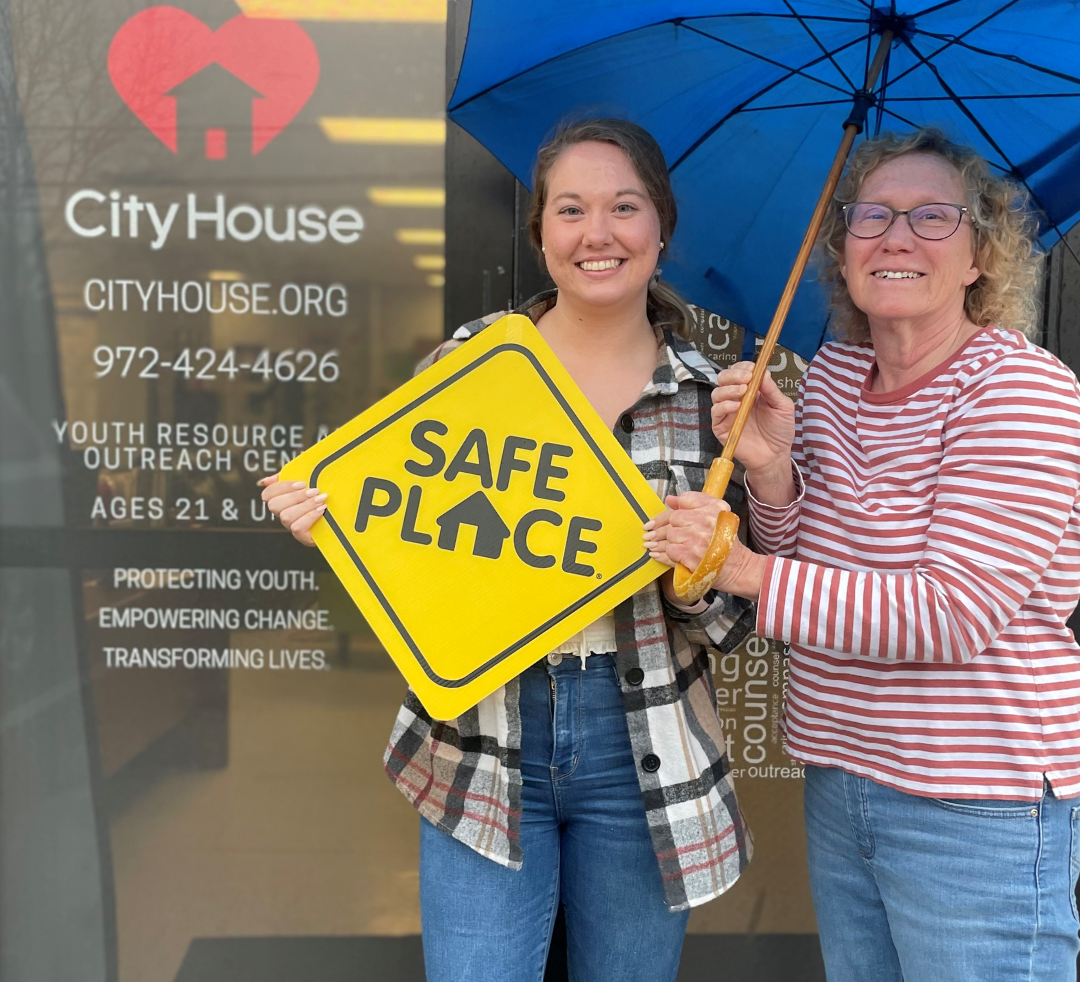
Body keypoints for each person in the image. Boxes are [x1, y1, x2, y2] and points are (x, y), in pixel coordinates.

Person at [260, 119, 754, 981]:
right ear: (541, 236)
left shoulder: (711, 404)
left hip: (641, 748)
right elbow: (411, 531)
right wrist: (335, 525)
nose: (596, 233)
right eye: (571, 209)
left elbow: (730, 626)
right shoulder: (474, 361)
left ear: (661, 229)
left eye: (624, 207)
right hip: (482, 737)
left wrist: (692, 576)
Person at [646, 126, 1080, 982]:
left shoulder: (1018, 389)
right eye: (870, 215)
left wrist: (741, 571)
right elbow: (808, 568)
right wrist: (772, 476)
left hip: (974, 805)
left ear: (980, 258)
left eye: (932, 218)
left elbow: (952, 613)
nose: (895, 236)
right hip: (843, 779)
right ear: (841, 250)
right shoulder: (838, 376)